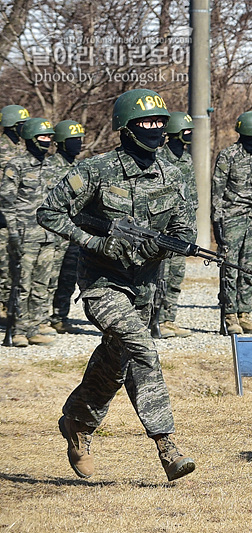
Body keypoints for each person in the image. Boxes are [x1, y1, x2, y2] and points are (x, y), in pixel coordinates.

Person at [37, 88, 196, 481]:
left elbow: (183, 230)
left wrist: (153, 249)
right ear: (126, 128)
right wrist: (96, 242)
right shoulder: (95, 170)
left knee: (116, 363)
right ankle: (166, 444)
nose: (156, 128)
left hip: (144, 288)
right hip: (101, 285)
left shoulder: (173, 174)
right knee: (142, 349)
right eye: (146, 122)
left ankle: (77, 422)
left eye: (160, 121)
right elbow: (49, 212)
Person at [0, 117, 58, 347]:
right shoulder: (16, 165)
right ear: (31, 138)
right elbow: (7, 202)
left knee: (41, 284)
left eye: (49, 137)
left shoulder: (52, 166)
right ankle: (18, 329)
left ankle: (34, 327)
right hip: (24, 235)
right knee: (22, 284)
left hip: (48, 236)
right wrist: (13, 233)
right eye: (43, 136)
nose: (47, 141)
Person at [211, 110, 252, 335]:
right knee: (230, 268)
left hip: (251, 219)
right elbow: (217, 191)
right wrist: (217, 222)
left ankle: (245, 314)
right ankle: (230, 316)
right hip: (231, 219)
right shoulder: (228, 155)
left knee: (248, 268)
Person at [155, 111, 197, 338]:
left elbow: (191, 194)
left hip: (180, 228)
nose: (190, 135)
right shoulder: (159, 157)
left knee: (176, 275)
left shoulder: (187, 159)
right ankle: (153, 321)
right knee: (159, 276)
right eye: (186, 131)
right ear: (175, 133)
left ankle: (169, 320)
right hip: (162, 227)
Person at [45, 120, 85, 334]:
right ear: (61, 142)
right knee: (48, 277)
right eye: (73, 140)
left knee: (69, 278)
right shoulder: (49, 167)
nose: (77, 144)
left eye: (79, 139)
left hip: (74, 232)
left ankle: (60, 317)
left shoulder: (81, 168)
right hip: (53, 234)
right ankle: (41, 319)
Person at [0, 104, 30, 322]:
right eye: (21, 125)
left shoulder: (24, 149)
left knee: (16, 263)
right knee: (2, 262)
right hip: (2, 213)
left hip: (20, 214)